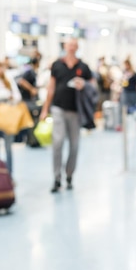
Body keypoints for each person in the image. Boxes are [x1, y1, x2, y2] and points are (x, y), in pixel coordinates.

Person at [40, 38, 93, 193]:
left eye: (74, 46)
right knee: (58, 142)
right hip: (58, 108)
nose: (71, 48)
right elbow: (51, 87)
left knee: (74, 145)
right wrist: (45, 108)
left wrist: (84, 85)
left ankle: (69, 174)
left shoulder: (83, 67)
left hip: (76, 111)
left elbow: (92, 86)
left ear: (77, 47)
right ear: (65, 46)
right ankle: (56, 177)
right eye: (69, 45)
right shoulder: (57, 65)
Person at [120, 59, 136, 130]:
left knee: (133, 110)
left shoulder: (134, 74)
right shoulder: (124, 73)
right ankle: (122, 125)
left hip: (133, 93)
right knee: (124, 109)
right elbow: (122, 83)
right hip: (125, 92)